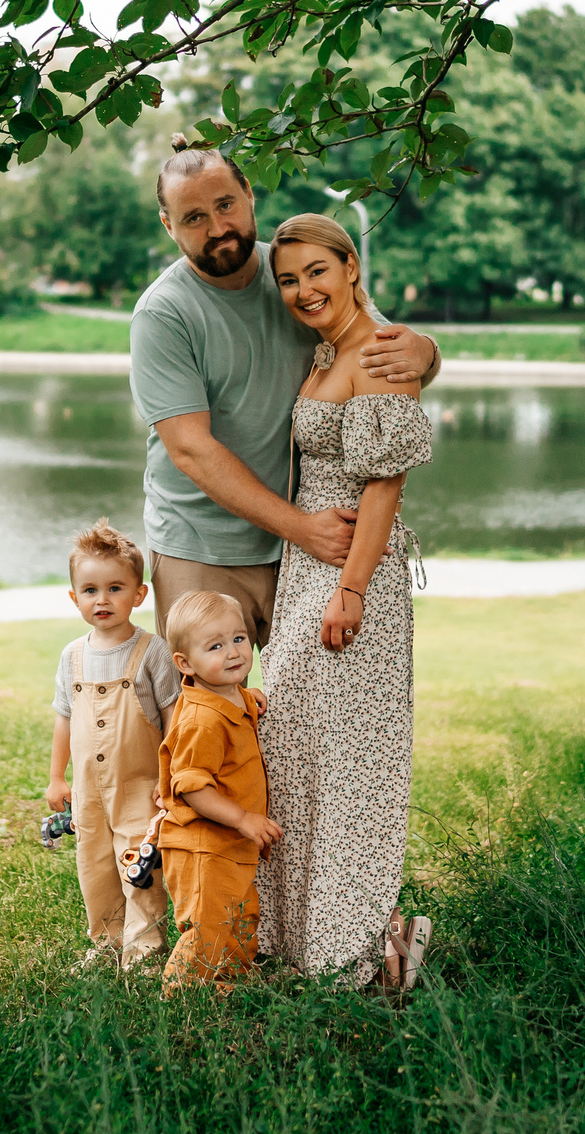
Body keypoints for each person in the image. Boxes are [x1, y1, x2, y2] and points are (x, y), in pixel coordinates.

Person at [131, 138, 440, 648]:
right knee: (205, 717)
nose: (217, 227)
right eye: (193, 218)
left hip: (308, 550)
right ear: (169, 227)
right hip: (202, 547)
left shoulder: (297, 272)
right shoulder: (163, 315)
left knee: (302, 718)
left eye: (225, 204)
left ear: (249, 193)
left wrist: (426, 352)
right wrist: (301, 526)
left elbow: (379, 346)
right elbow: (191, 449)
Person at [256, 212, 435, 991]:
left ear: (351, 264)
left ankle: (351, 951)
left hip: (352, 576)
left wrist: (352, 590)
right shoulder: (332, 350)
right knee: (297, 753)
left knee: (353, 766)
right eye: (288, 279)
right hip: (307, 567)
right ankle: (295, 938)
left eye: (316, 272)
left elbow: (385, 483)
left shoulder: (379, 351)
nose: (303, 289)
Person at [44, 520, 181, 969]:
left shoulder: (153, 651)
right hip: (87, 792)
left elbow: (173, 719)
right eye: (89, 590)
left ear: (139, 595)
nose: (102, 600)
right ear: (74, 597)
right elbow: (64, 717)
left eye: (115, 588)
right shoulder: (72, 655)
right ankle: (104, 944)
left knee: (140, 868)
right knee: (96, 868)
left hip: (140, 787)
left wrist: (172, 777)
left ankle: (143, 951)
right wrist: (55, 777)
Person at [155, 589, 281, 991]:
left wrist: (249, 697)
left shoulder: (229, 697)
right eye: (215, 646)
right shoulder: (202, 721)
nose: (233, 653)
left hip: (229, 848)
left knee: (241, 920)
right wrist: (243, 818)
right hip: (202, 847)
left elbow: (237, 701)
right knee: (208, 926)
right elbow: (192, 788)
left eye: (239, 638)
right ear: (185, 663)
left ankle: (228, 986)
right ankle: (180, 997)